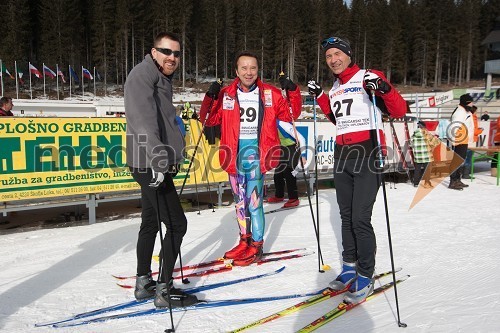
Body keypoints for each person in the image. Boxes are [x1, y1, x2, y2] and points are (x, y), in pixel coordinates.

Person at [307, 36, 406, 304]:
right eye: (328, 56)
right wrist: (321, 97)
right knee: (346, 215)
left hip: (367, 150)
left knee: (361, 218)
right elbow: (336, 117)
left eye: (338, 54)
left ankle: (365, 273)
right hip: (342, 153)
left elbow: (399, 109)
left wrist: (383, 88)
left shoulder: (368, 76)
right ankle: (349, 266)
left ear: (349, 55)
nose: (333, 60)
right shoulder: (337, 86)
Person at [199, 51, 302, 266]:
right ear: (236, 71)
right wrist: (211, 96)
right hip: (233, 153)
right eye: (244, 68)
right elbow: (208, 119)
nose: (249, 72)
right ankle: (244, 241)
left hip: (256, 153)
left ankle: (256, 245)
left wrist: (292, 90)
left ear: (258, 70)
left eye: (253, 68)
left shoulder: (270, 94)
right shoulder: (227, 94)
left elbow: (292, 112)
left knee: (254, 203)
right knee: (239, 203)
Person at [124, 32, 197, 308]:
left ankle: (144, 282)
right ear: (153, 51)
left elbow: (162, 119)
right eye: (166, 51)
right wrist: (158, 161)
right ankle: (163, 290)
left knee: (151, 222)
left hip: (152, 162)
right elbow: (142, 123)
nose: (172, 58)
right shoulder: (143, 75)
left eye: (177, 54)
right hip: (150, 164)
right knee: (177, 224)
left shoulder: (160, 78)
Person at [267, 121, 308, 208]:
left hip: (293, 148)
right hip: (282, 148)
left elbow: (302, 138)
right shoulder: (269, 124)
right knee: (278, 173)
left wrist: (304, 155)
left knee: (289, 174)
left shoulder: (282, 123)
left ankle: (294, 199)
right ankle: (279, 196)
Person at [447, 94, 475, 190]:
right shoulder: (459, 112)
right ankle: (453, 181)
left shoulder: (465, 111)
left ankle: (457, 180)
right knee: (457, 161)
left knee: (460, 160)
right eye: (471, 102)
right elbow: (453, 127)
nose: (473, 104)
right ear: (466, 102)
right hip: (459, 139)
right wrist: (454, 139)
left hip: (463, 139)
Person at [411, 121, 442, 188]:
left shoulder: (414, 134)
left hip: (418, 156)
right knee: (427, 170)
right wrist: (437, 138)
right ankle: (427, 183)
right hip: (427, 155)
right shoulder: (427, 134)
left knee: (417, 169)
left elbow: (411, 144)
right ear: (424, 127)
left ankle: (416, 183)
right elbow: (434, 142)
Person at [463, 105, 483, 179]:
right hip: (471, 140)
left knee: (466, 157)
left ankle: (464, 173)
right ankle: (465, 174)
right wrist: (480, 130)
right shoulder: (473, 118)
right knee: (469, 157)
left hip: (466, 139)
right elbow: (474, 131)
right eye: (476, 111)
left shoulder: (467, 117)